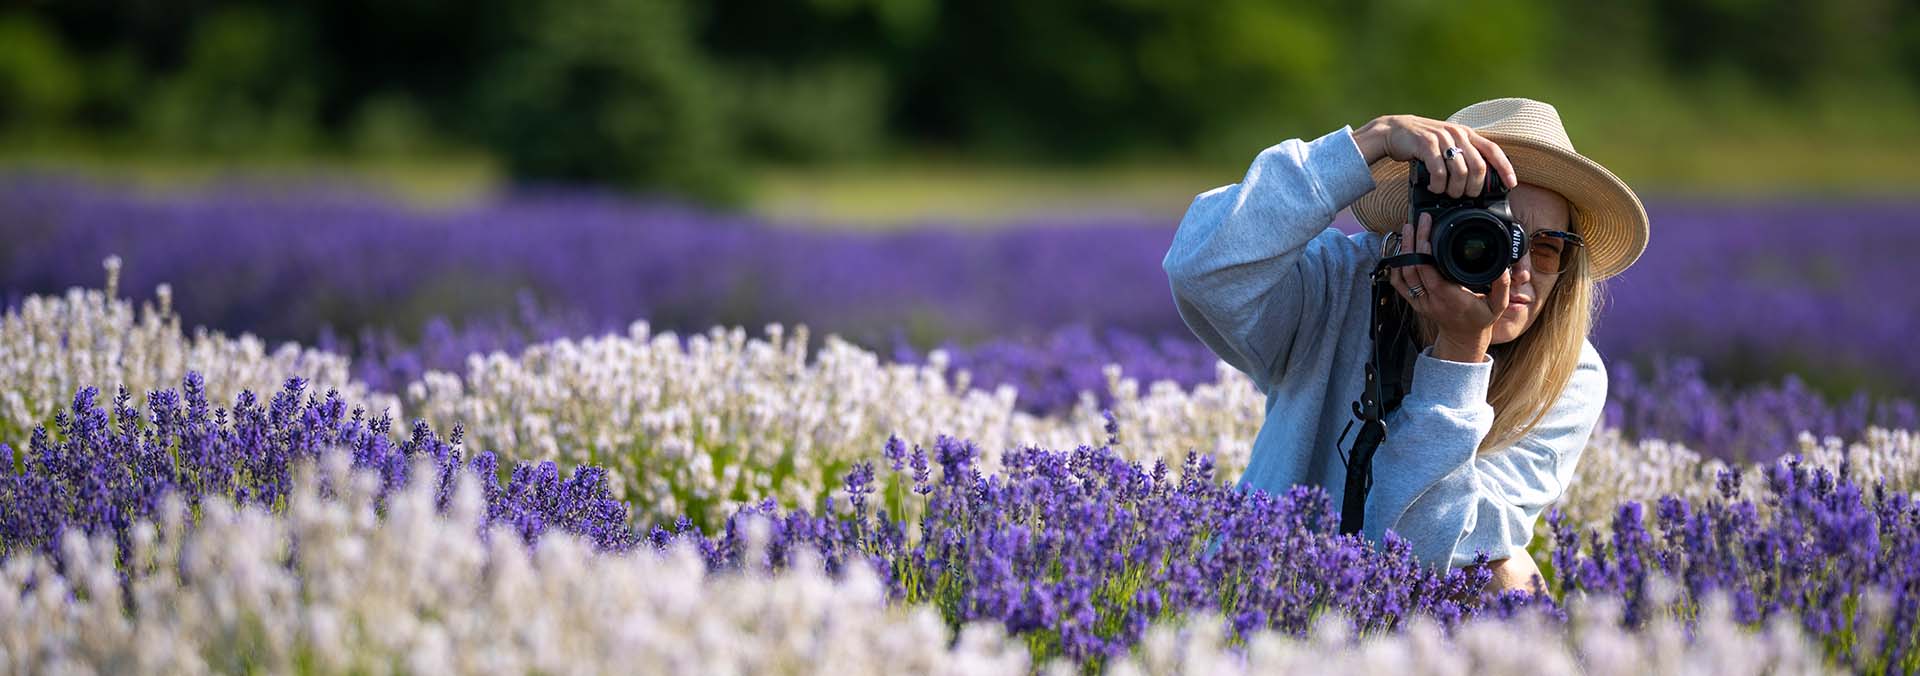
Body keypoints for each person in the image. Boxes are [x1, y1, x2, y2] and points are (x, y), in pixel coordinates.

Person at [1161, 98, 1649, 594]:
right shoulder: (1340, 284)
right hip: (1258, 603)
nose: (1515, 269)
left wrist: (1460, 353)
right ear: (1422, 226)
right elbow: (1202, 267)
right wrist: (1364, 144)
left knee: (1509, 580)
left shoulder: (1567, 378)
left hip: (1404, 641)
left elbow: (1422, 550)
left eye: (1546, 248)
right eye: (1493, 235)